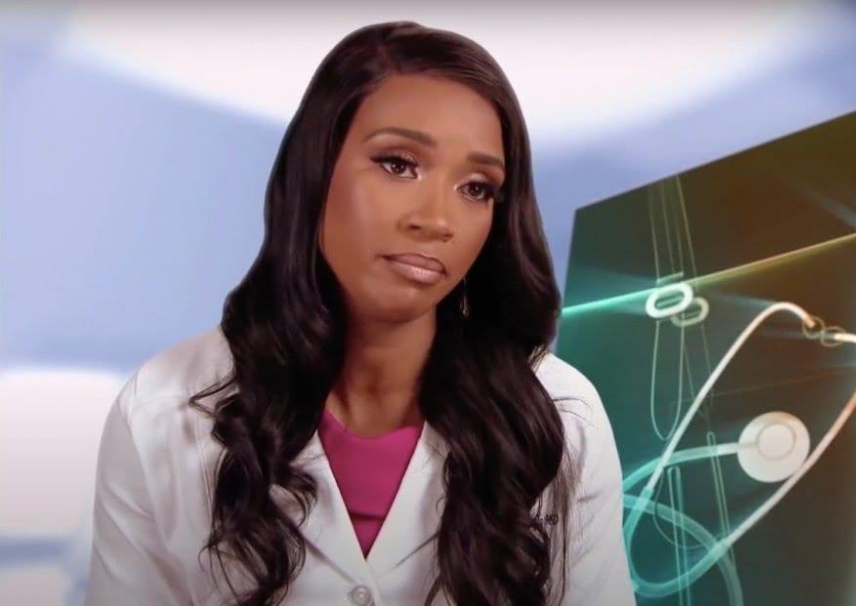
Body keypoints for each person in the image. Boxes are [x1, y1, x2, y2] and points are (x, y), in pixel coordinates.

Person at [84, 21, 635, 606]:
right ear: (315, 169)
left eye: (476, 188)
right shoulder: (160, 410)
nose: (437, 219)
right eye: (399, 164)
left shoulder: (557, 415)